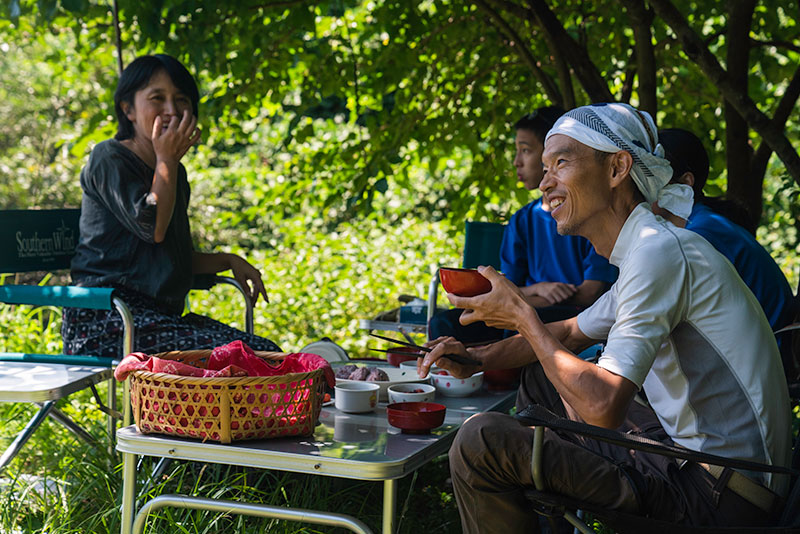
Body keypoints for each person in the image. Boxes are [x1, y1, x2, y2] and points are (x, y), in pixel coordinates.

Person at [418, 103, 791, 532]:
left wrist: (522, 313)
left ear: (617, 168)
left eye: (560, 162)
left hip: (719, 498)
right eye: (543, 168)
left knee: (480, 441)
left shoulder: (660, 253)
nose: (544, 182)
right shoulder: (652, 248)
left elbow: (602, 407)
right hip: (699, 467)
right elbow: (569, 332)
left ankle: (531, 491)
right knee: (541, 374)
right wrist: (475, 357)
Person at [62, 54, 281, 358]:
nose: (171, 110)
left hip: (156, 320)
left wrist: (228, 260)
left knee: (266, 353)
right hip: (107, 320)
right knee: (245, 358)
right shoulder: (109, 157)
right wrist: (166, 160)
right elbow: (153, 228)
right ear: (128, 110)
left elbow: (168, 258)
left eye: (181, 100)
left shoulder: (174, 174)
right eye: (157, 98)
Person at [428, 107, 618, 343]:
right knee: (445, 323)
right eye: (516, 151)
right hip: (523, 307)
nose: (517, 162)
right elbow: (509, 286)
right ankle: (455, 377)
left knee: (525, 322)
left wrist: (524, 301)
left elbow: (591, 292)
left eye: (526, 151)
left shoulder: (587, 214)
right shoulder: (523, 220)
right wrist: (539, 289)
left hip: (571, 314)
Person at [653, 128, 796, 378]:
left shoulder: (701, 234)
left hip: (768, 359)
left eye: (654, 174)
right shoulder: (703, 222)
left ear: (686, 182)